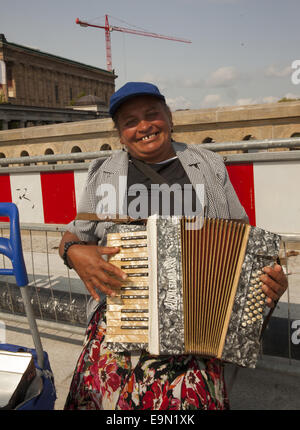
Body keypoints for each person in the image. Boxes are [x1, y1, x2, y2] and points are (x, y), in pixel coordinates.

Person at [59, 82, 288, 410]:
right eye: (130, 121)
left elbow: (242, 238)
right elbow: (73, 234)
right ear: (120, 133)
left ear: (169, 117)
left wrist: (269, 278)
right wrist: (74, 252)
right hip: (121, 319)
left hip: (197, 327)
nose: (144, 126)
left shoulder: (208, 165)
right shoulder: (103, 172)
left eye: (152, 115)